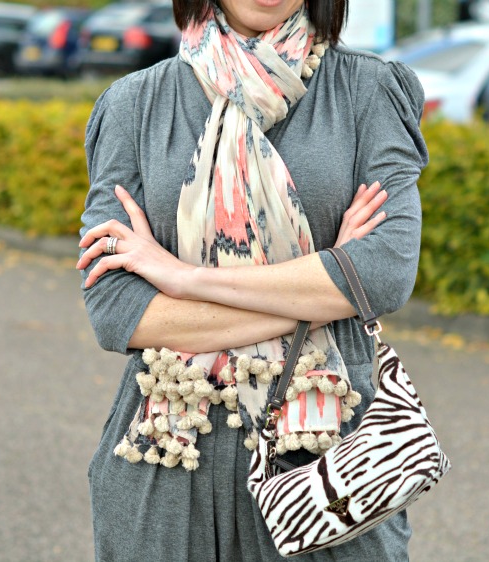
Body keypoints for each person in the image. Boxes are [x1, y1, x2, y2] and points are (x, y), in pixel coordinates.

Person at [76, 0, 428, 560]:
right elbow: (118, 309)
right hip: (164, 461)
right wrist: (328, 283)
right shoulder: (134, 105)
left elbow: (383, 273)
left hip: (327, 463)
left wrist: (182, 279)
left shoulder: (369, 91)